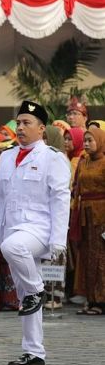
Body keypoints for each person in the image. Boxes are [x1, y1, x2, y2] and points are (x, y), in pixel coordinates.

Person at [0, 100, 71, 365]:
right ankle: (34, 351)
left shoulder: (53, 158)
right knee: (24, 292)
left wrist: (58, 239)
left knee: (16, 255)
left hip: (39, 229)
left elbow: (60, 200)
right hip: (13, 228)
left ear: (41, 128)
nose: (21, 128)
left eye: (27, 123)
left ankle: (38, 290)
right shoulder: (7, 157)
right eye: (19, 122)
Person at [71, 126, 105, 315]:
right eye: (85, 140)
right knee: (86, 257)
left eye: (90, 140)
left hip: (101, 216)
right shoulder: (83, 163)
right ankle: (91, 298)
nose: (86, 144)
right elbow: (76, 187)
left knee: (100, 257)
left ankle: (101, 301)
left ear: (100, 142)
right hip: (85, 215)